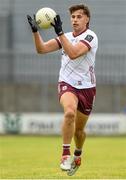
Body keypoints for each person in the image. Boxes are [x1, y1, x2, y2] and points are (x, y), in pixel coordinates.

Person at [27, 4, 98, 176]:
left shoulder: (91, 37)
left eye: (79, 17)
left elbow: (73, 53)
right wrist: (35, 32)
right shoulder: (65, 36)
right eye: (73, 17)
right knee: (69, 113)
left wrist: (59, 33)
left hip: (87, 88)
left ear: (87, 19)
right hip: (67, 84)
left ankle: (77, 154)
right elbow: (41, 49)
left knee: (79, 132)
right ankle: (65, 154)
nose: (75, 20)